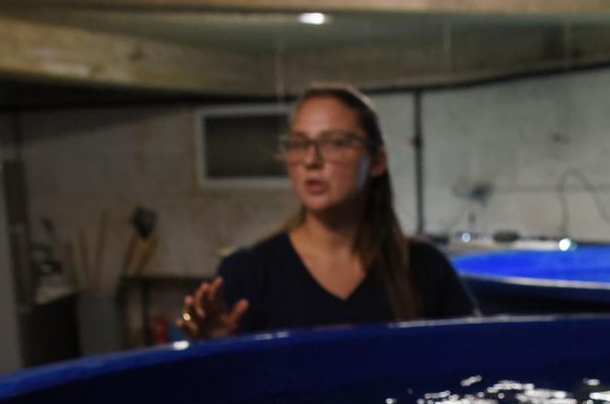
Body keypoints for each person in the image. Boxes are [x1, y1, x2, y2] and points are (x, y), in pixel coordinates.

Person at [179, 84, 476, 339]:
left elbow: (473, 363)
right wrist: (217, 351)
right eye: (299, 144)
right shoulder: (248, 274)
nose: (311, 159)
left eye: (335, 143)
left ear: (377, 162)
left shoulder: (424, 268)